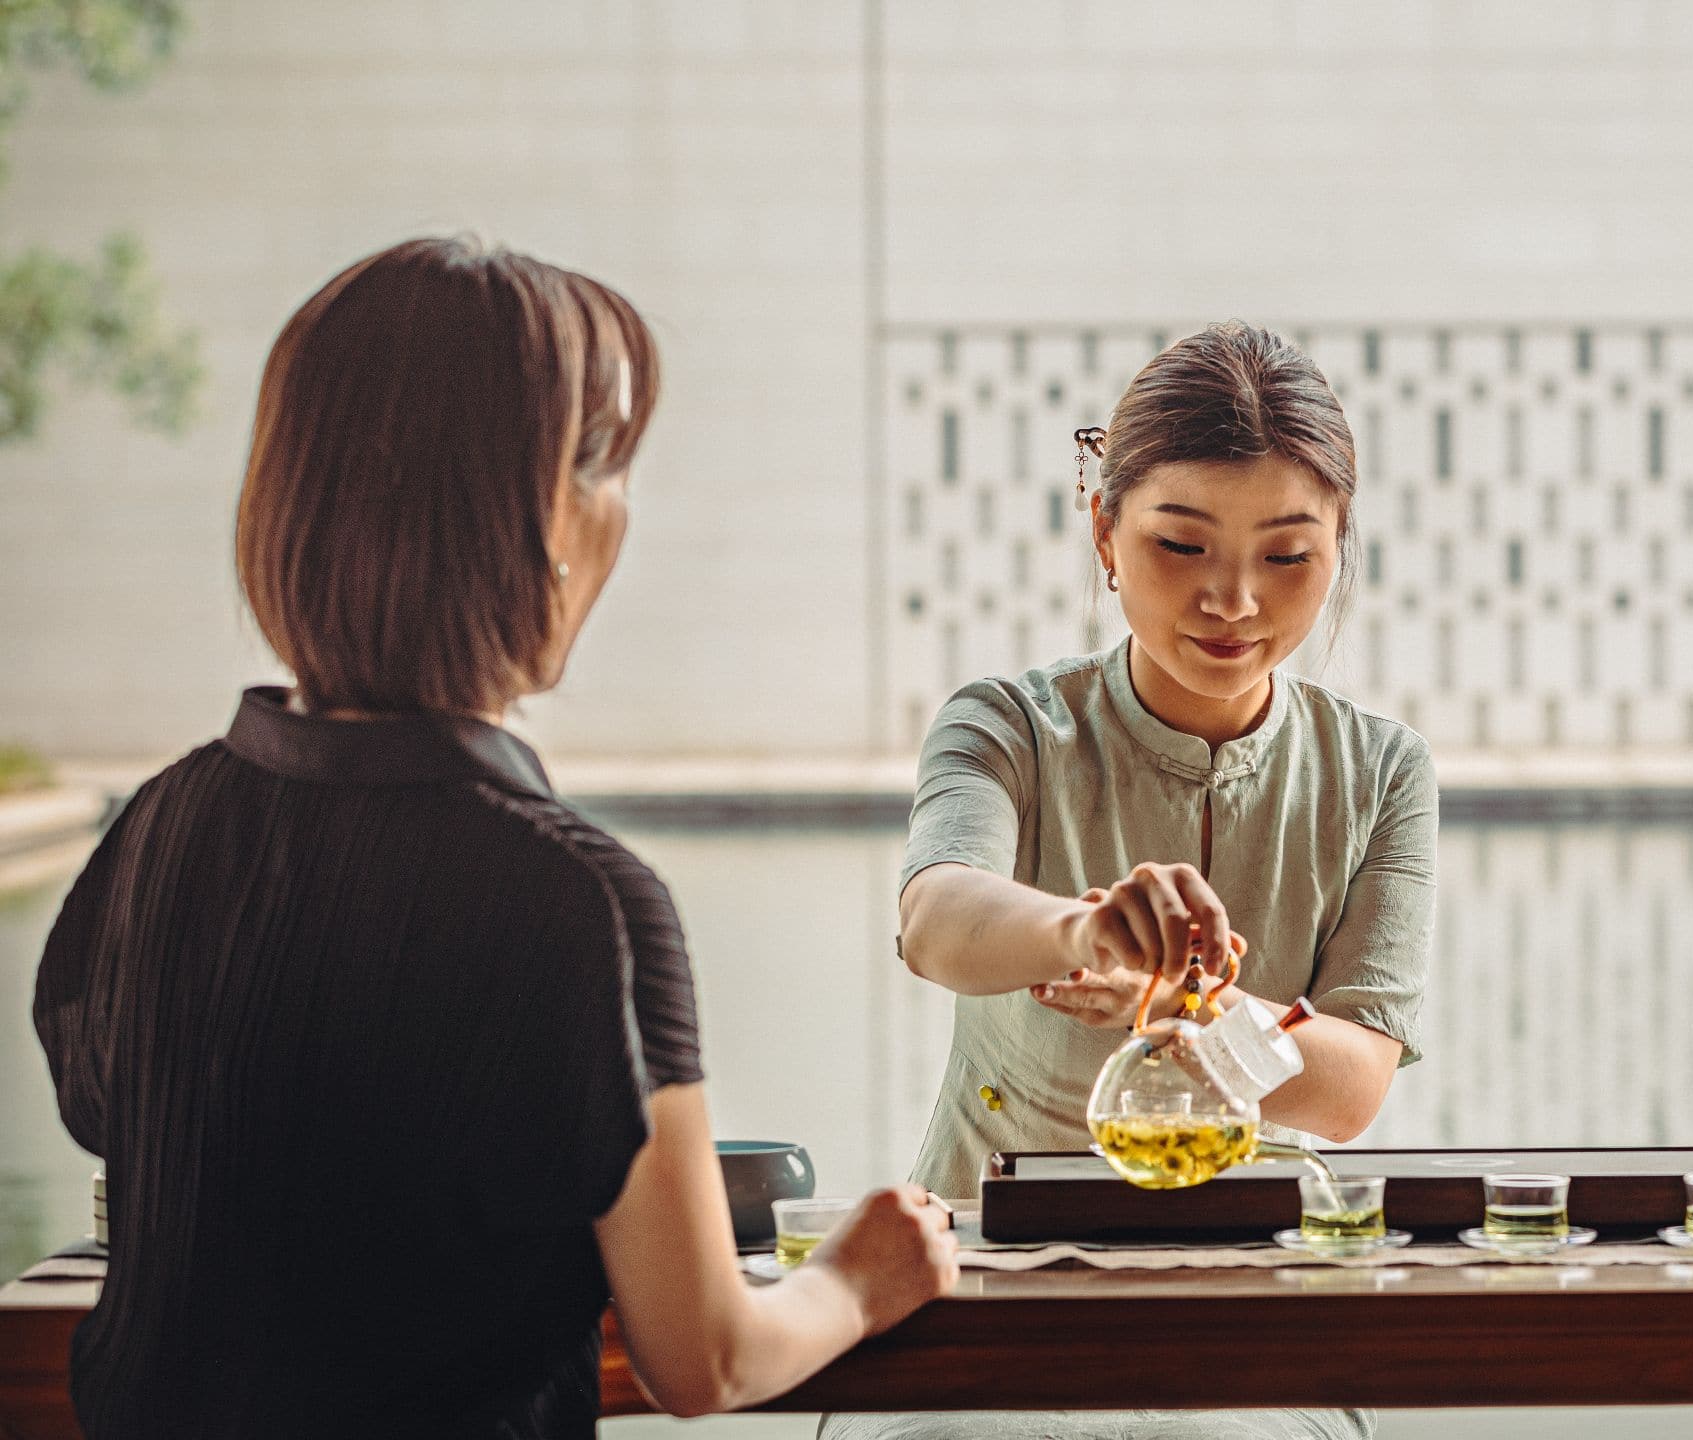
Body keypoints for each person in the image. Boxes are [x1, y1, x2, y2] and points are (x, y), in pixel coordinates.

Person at [33, 237, 957, 1439]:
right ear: (541, 522)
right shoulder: (576, 900)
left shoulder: (158, 827)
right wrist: (859, 1277)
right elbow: (706, 1358)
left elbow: (135, 1127)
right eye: (607, 467)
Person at [833, 322, 1436, 1440]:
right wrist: (1082, 928)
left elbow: (1351, 1086)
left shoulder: (1378, 771)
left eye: (1287, 556)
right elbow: (938, 921)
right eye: (1182, 546)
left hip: (1252, 1292)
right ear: (1104, 531)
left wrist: (1201, 1008)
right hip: (981, 1278)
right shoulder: (1007, 725)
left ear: (1340, 547)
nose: (1235, 600)